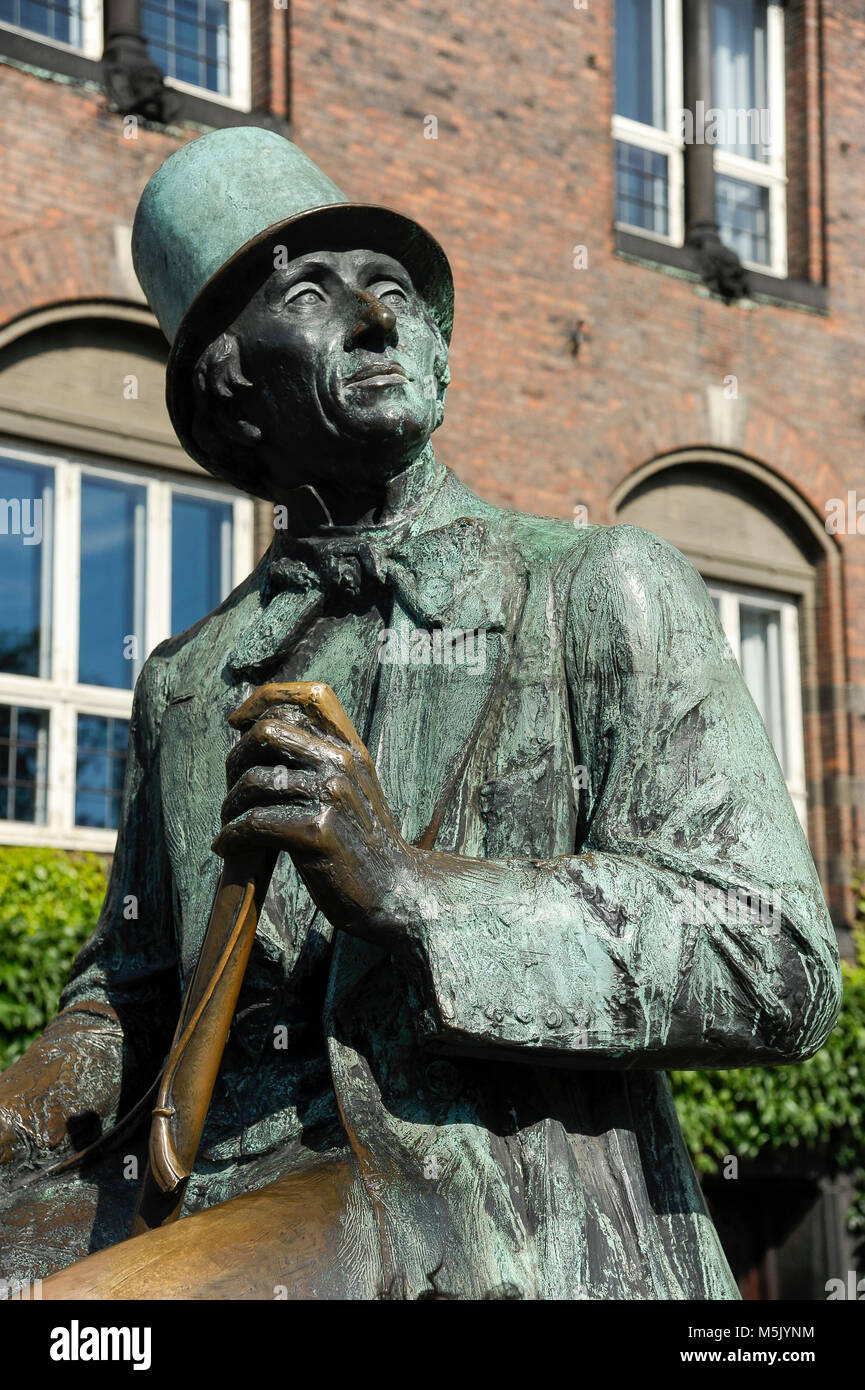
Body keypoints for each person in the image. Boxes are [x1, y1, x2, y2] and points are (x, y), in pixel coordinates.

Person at [0, 128, 842, 1300]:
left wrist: (411, 891)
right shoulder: (186, 683)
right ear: (230, 382)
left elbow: (777, 958)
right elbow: (131, 997)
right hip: (211, 1185)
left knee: (106, 1319)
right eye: (310, 291)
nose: (376, 316)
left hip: (474, 1199)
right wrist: (19, 1111)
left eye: (393, 288)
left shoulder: (599, 590)